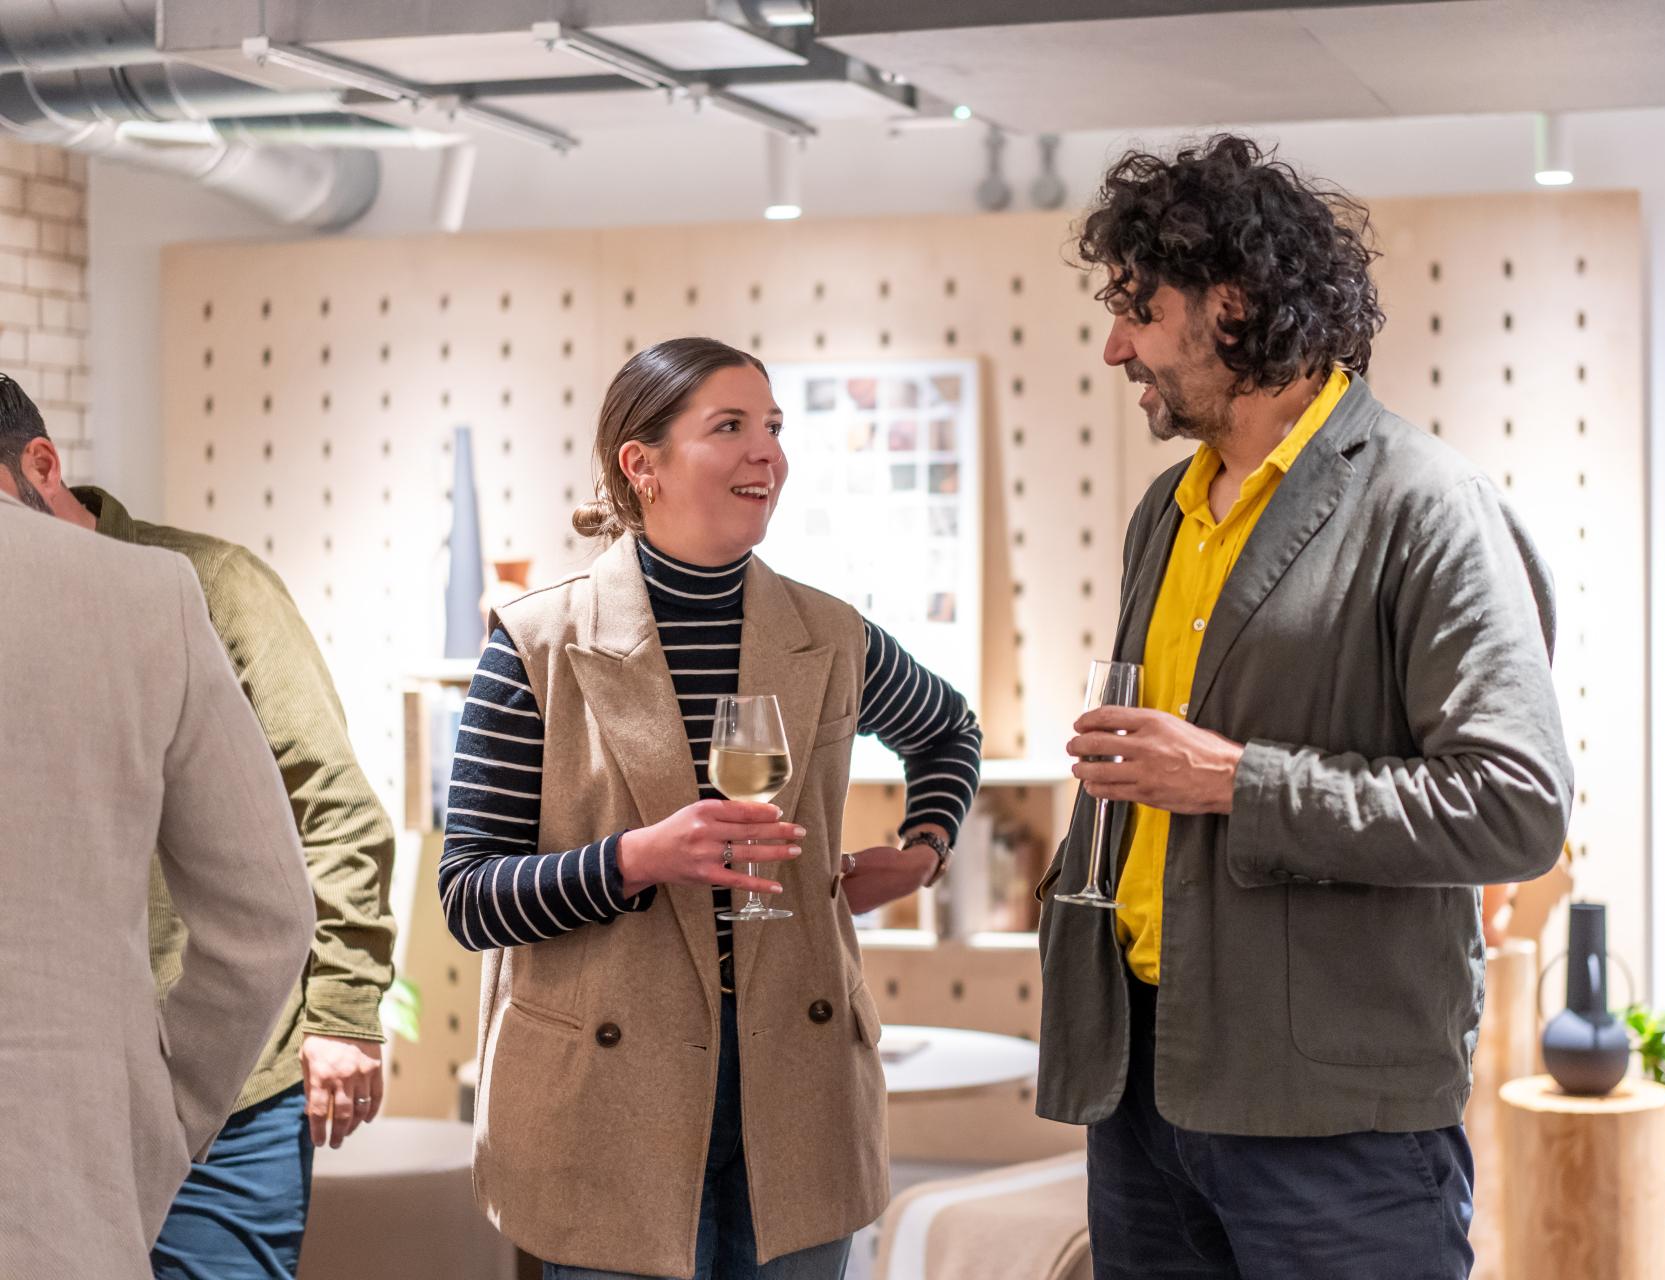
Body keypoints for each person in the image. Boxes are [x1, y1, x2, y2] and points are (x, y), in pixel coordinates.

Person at [1035, 136, 1576, 1279]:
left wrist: (1233, 780)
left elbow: (1516, 807)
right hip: (1142, 1090)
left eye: (1139, 307)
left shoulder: (1428, 505)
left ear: (1231, 303)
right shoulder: (1164, 510)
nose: (1113, 344)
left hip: (1333, 1129)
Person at [443, 336, 983, 1280]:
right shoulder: (536, 646)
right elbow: (470, 895)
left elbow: (949, 732)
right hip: (612, 1104)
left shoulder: (830, 633)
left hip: (799, 1083)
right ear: (640, 465)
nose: (766, 452)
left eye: (772, 427)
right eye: (728, 427)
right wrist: (635, 860)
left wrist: (925, 846)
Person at [0, 379, 398, 1278]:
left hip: (223, 1079)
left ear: (45, 466)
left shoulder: (205, 584)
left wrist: (344, 1012)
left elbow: (331, 803)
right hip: (91, 1088)